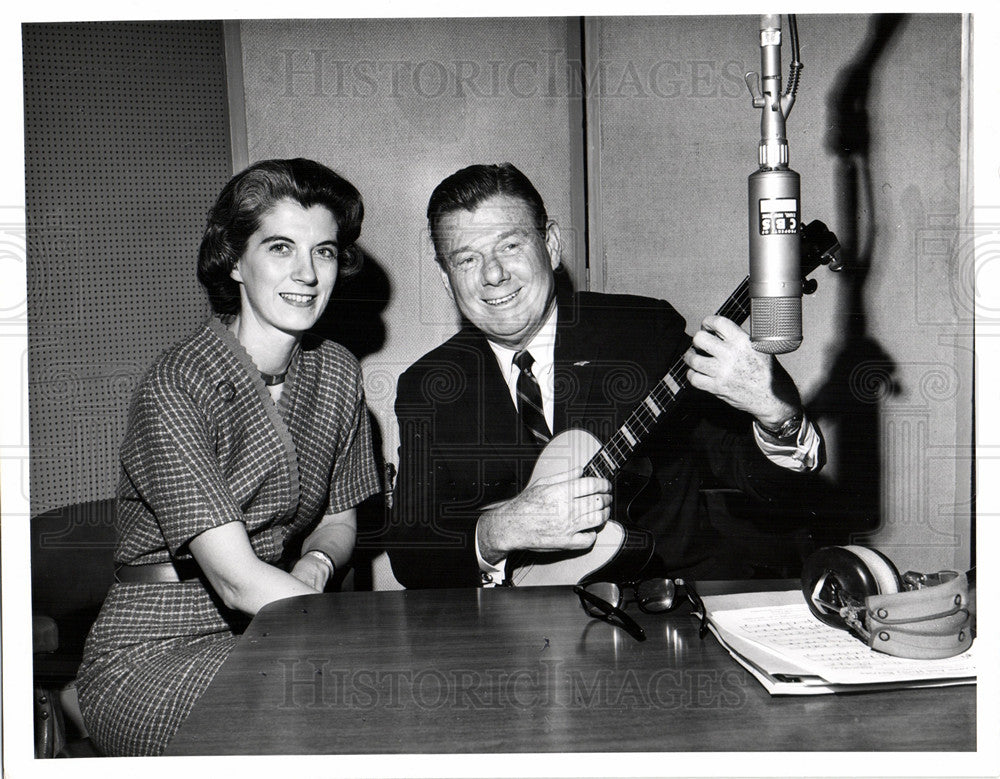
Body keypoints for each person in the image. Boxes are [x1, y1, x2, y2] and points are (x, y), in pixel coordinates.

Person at [387, 162, 823, 589]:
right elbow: (411, 554)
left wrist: (775, 410)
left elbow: (763, 485)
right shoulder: (429, 384)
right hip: (515, 631)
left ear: (552, 245)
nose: (494, 274)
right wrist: (500, 531)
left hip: (660, 612)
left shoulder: (641, 332)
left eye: (510, 245)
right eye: (467, 259)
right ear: (446, 281)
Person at [76, 158, 381, 756]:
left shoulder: (339, 371)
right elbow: (236, 581)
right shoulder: (177, 384)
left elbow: (341, 520)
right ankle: (85, 706)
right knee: (337, 716)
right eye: (279, 248)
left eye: (323, 251)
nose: (307, 273)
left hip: (277, 624)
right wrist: (355, 641)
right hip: (157, 648)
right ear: (236, 261)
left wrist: (316, 563)